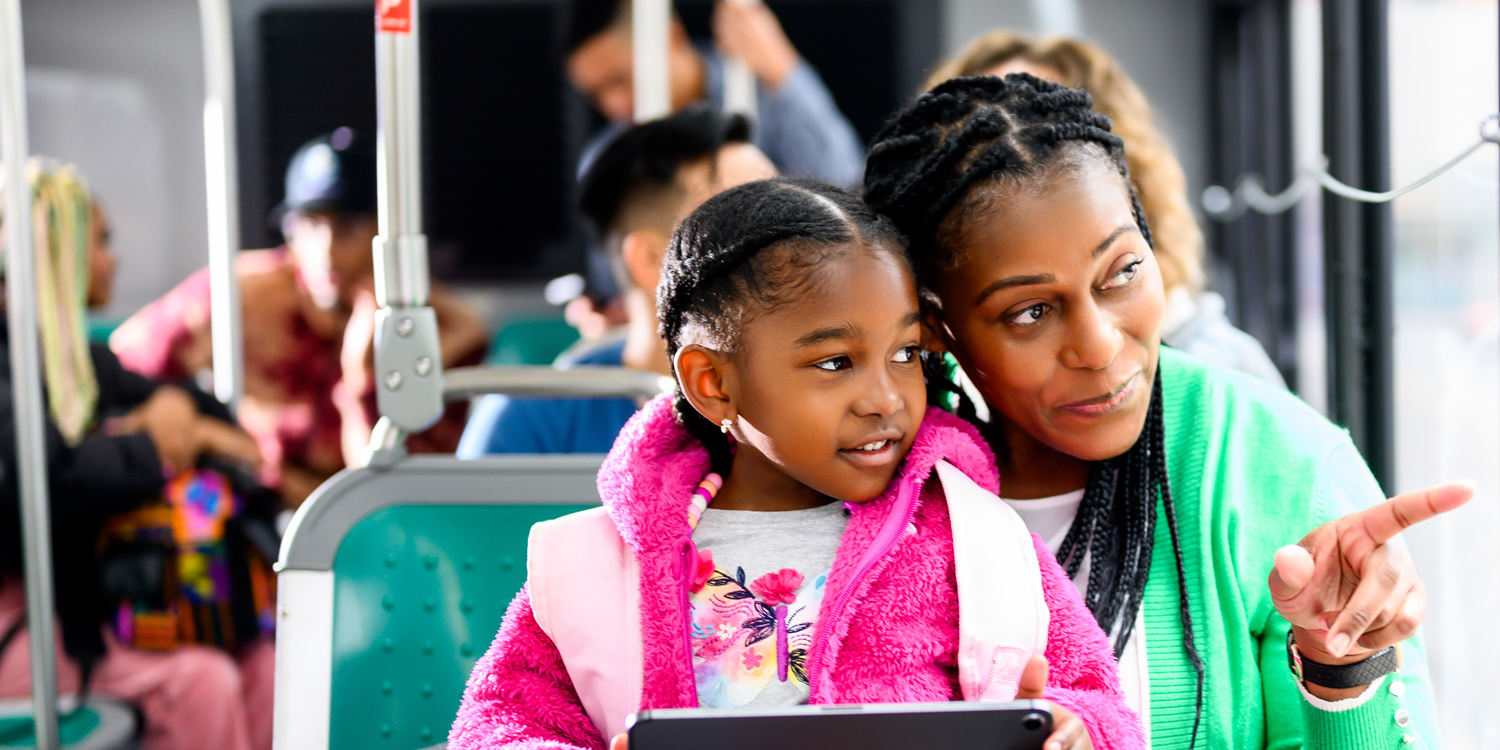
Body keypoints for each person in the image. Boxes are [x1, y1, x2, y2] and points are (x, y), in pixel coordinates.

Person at [862, 74, 1470, 748]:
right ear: (938, 328)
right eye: (1030, 312)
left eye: (1120, 271)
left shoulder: (1283, 465)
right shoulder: (872, 482)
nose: (1098, 346)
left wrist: (1344, 670)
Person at [451, 177, 1143, 750]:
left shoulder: (974, 536)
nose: (885, 399)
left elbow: (1095, 696)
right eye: (835, 362)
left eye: (905, 354)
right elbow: (500, 723)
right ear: (713, 383)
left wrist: (1078, 728)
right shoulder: (600, 565)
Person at [0, 162, 274, 750]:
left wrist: (184, 426)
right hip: (27, 623)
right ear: (55, 254)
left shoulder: (79, 364)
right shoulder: (12, 371)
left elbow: (200, 409)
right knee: (201, 684)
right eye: (98, 242)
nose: (111, 260)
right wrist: (150, 443)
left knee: (265, 667)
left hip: (89, 606)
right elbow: (46, 484)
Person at [111, 129, 489, 507]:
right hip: (250, 507)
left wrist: (362, 379)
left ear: (389, 233)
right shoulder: (239, 297)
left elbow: (390, 503)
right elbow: (117, 371)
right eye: (309, 225)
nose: (326, 251)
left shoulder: (443, 330)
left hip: (357, 528)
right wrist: (175, 405)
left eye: (348, 227)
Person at [926, 32, 1287, 386]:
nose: (1021, 151)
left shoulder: (1225, 371)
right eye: (984, 138)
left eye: (1049, 131)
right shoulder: (929, 386)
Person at [457, 105, 775, 456]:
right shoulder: (528, 424)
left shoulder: (810, 404)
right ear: (653, 260)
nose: (789, 241)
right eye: (750, 222)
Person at [567, 0, 863, 187]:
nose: (613, 105)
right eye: (594, 93)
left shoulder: (762, 89)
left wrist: (782, 68)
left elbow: (843, 187)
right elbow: (610, 278)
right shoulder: (606, 157)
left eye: (619, 79)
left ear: (670, 37)